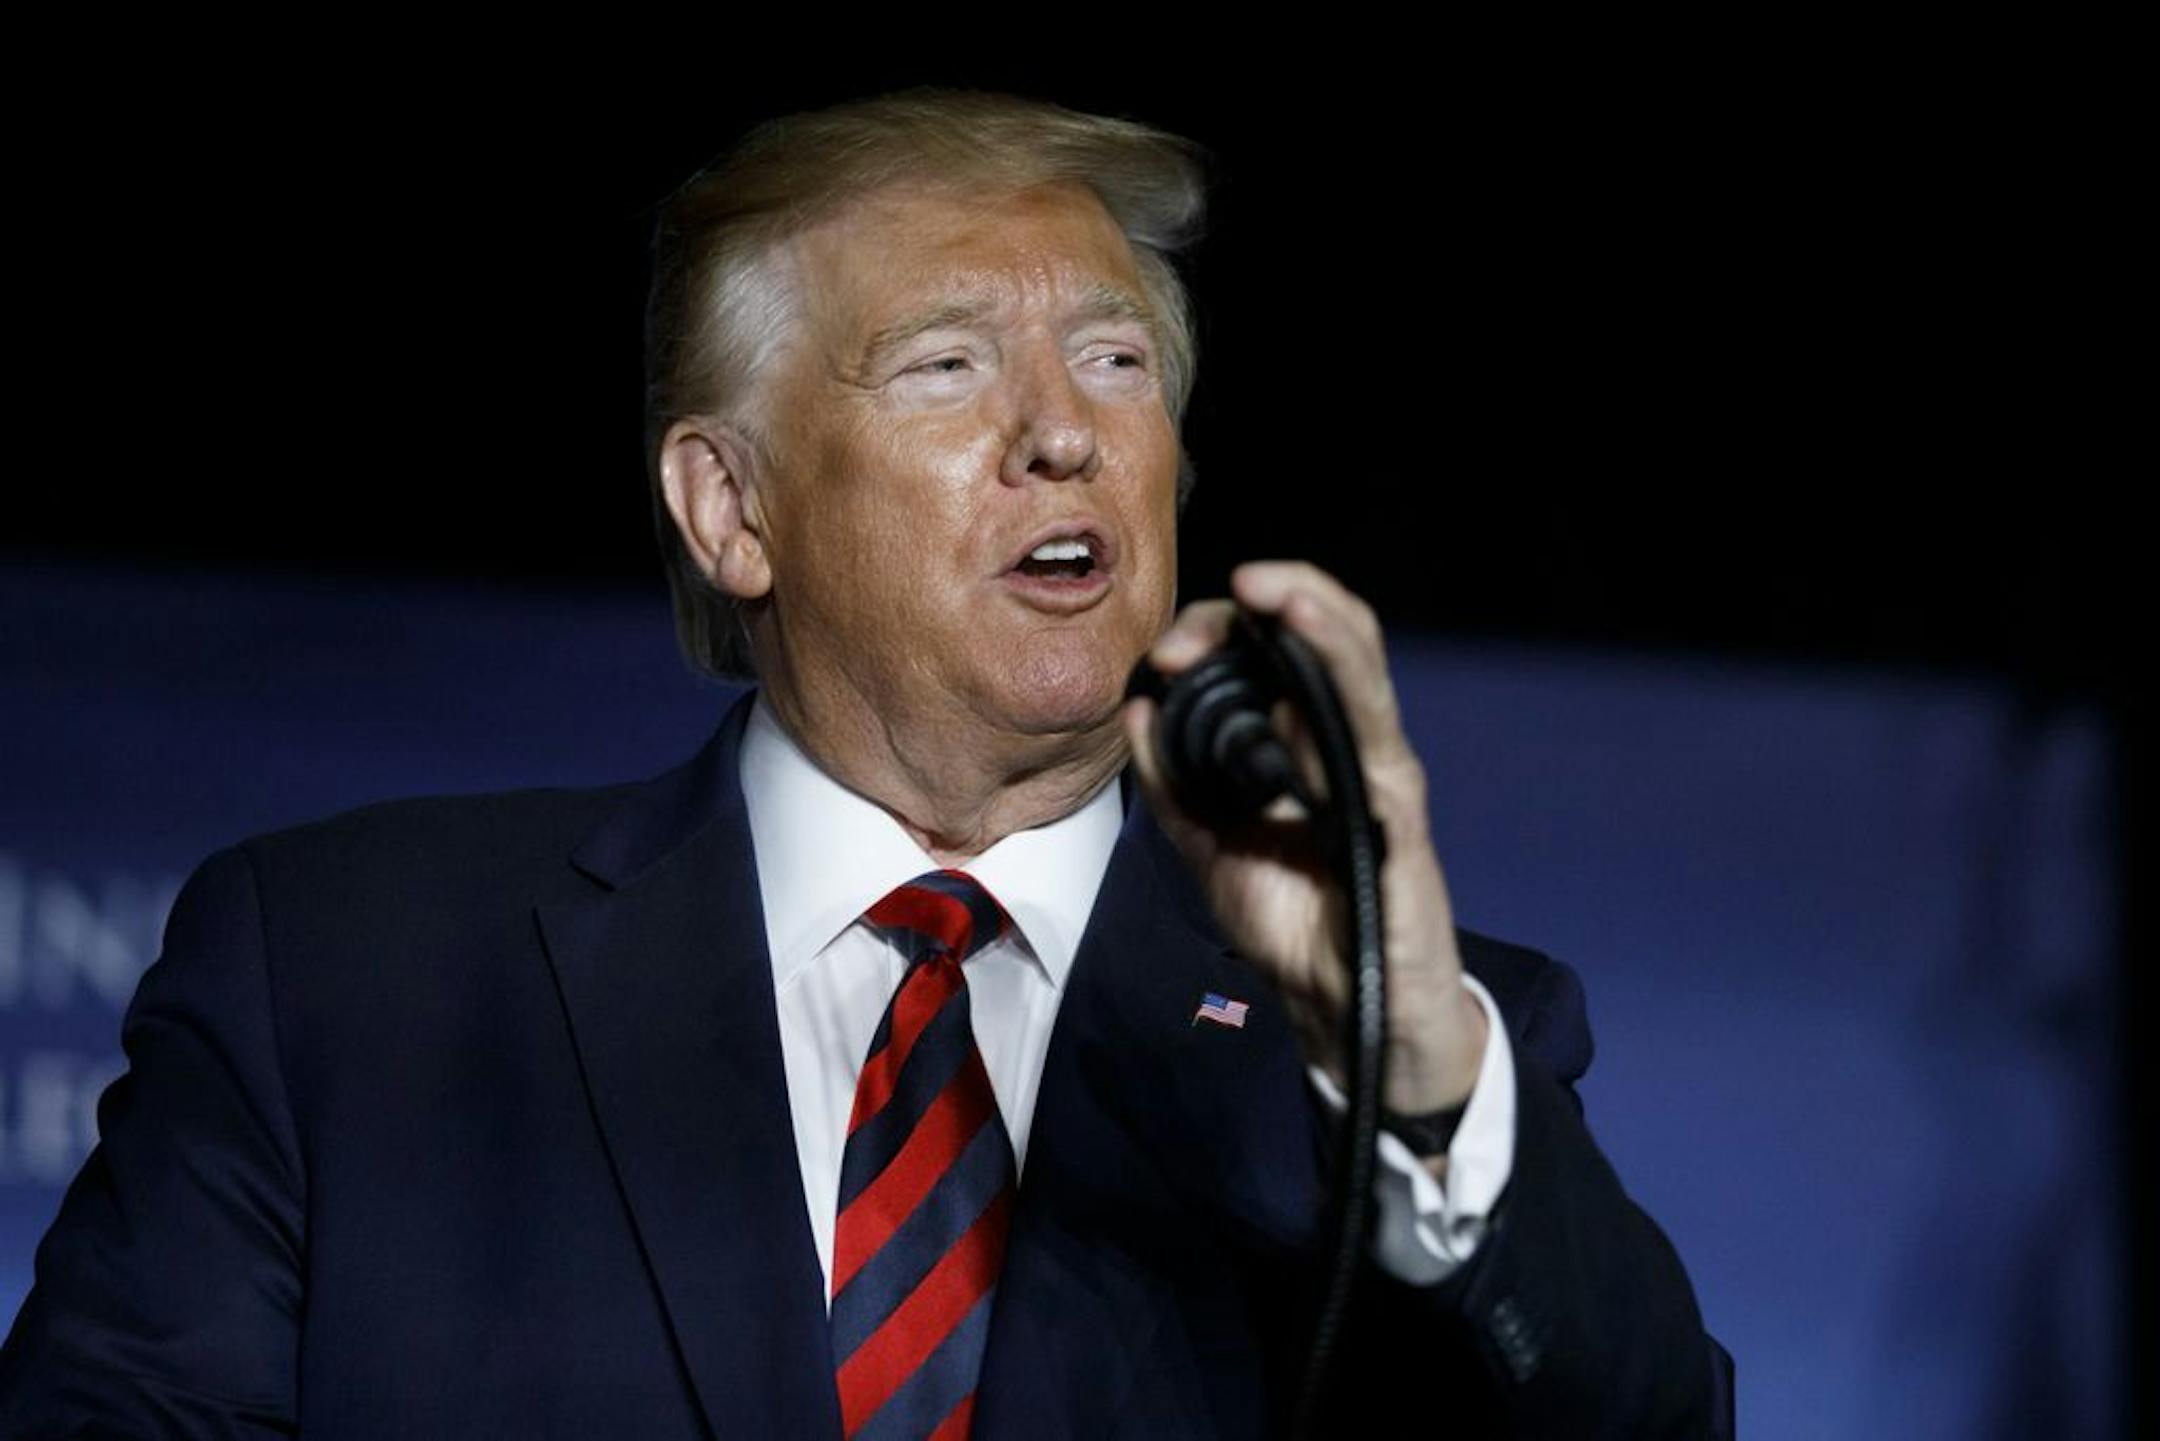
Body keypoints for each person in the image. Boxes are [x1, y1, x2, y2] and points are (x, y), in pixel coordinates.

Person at [0, 89, 1731, 1437]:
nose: (1067, 429)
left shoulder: (1395, 1049)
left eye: (1117, 360)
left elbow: (1645, 1422)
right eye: (951, 364)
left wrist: (1409, 1047)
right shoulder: (345, 976)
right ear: (729, 507)